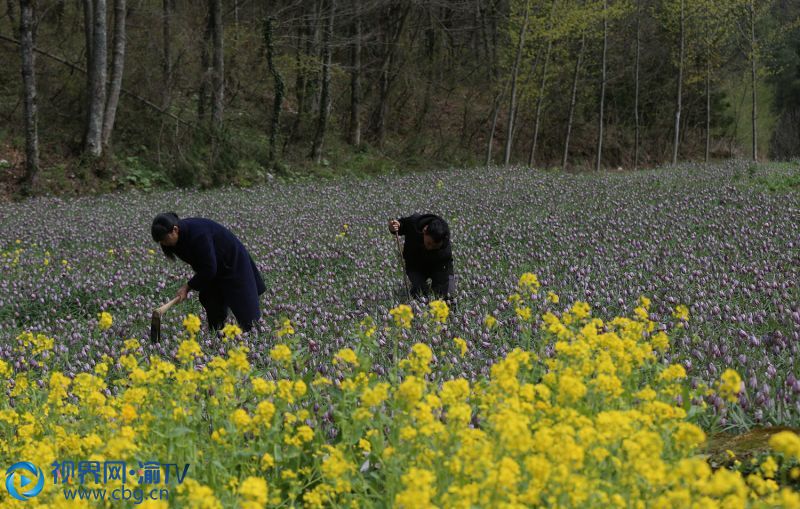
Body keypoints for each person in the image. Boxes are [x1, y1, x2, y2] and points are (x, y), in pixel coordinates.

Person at [151, 212, 266, 331]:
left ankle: (255, 336)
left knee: (248, 317)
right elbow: (206, 266)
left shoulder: (198, 235)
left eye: (164, 239)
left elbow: (209, 268)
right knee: (210, 299)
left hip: (233, 265)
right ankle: (218, 338)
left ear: (175, 229)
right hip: (215, 270)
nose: (163, 243)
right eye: (160, 241)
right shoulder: (175, 241)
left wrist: (187, 287)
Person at [388, 213, 454, 299]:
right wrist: (394, 227)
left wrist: (449, 291)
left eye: (435, 246)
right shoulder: (414, 222)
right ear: (425, 230)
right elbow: (400, 226)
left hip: (437, 266)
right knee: (420, 292)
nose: (430, 247)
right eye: (429, 243)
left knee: (447, 294)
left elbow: (448, 269)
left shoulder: (444, 244)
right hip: (415, 265)